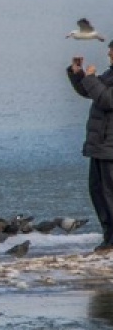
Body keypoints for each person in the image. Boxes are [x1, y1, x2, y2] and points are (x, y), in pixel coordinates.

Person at [65, 42, 113, 253]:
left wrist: (91, 78)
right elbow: (91, 92)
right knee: (98, 193)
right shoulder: (110, 74)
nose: (109, 54)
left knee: (110, 194)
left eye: (112, 51)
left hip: (110, 147)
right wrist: (79, 74)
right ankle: (109, 239)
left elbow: (107, 99)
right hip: (100, 145)